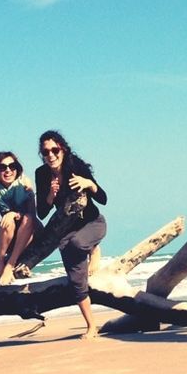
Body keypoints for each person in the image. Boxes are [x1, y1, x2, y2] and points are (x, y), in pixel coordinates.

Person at [32, 129, 107, 339]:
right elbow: (42, 212)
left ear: (63, 150)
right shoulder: (42, 174)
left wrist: (89, 184)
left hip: (93, 223)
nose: (51, 156)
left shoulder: (75, 165)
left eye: (55, 150)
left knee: (77, 243)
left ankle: (94, 247)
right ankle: (92, 326)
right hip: (66, 229)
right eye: (46, 152)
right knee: (76, 280)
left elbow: (103, 198)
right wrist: (50, 195)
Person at [0, 150, 36, 286]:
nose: (8, 171)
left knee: (26, 218)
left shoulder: (25, 182)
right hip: (9, 237)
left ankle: (10, 265)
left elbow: (33, 214)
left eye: (12, 166)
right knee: (8, 222)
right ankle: (0, 261)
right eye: (2, 168)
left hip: (29, 232)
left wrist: (13, 214)